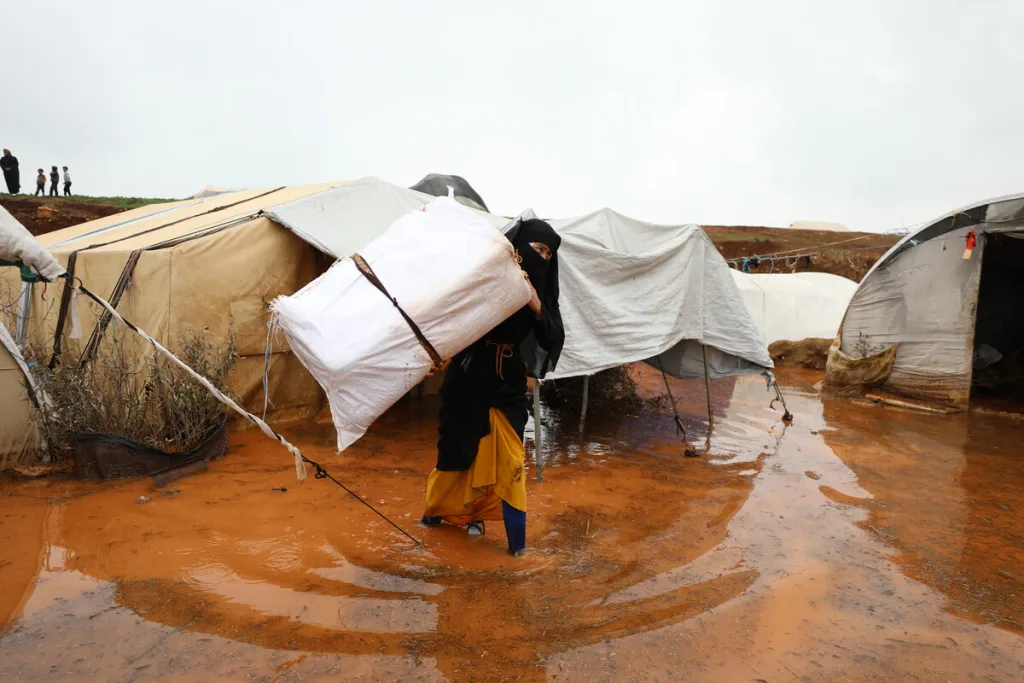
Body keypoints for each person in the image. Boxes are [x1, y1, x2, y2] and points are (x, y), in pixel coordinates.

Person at [421, 219, 565, 556]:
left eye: (548, 253)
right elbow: (452, 316)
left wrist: (532, 301)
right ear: (517, 248)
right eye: (537, 249)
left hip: (508, 382)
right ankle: (433, 519)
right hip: (468, 378)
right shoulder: (485, 276)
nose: (542, 257)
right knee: (456, 453)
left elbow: (553, 338)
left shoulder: (539, 293)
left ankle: (518, 549)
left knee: (512, 459)